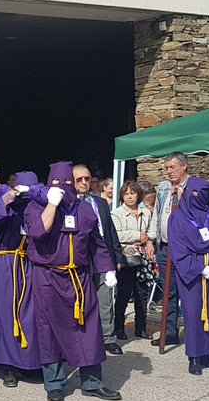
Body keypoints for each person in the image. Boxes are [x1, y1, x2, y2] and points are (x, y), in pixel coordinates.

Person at [23, 161, 121, 401]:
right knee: (50, 330)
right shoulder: (36, 207)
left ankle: (92, 382)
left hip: (79, 277)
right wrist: (52, 204)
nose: (63, 187)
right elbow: (37, 231)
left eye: (68, 182)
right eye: (56, 183)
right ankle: (54, 384)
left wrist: (107, 268)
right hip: (47, 276)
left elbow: (96, 243)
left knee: (88, 328)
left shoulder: (85, 210)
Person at [167, 177, 209, 375]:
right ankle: (195, 356)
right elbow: (178, 247)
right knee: (193, 312)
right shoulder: (178, 218)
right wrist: (199, 268)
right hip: (193, 273)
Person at [0, 171, 41, 388]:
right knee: (6, 314)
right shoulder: (4, 203)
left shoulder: (37, 208)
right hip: (5, 266)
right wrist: (11, 197)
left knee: (31, 314)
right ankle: (8, 366)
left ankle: (31, 363)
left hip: (29, 264)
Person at [74, 165, 123, 354]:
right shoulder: (67, 205)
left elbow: (110, 231)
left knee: (105, 299)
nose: (84, 182)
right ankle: (80, 338)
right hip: (80, 258)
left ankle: (107, 337)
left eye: (87, 179)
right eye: (79, 179)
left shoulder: (100, 203)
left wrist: (117, 256)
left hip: (102, 258)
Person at [147, 152, 191, 345]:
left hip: (186, 249)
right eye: (166, 168)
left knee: (189, 291)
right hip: (165, 247)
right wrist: (150, 239)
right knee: (168, 291)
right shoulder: (164, 187)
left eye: (172, 167)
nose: (169, 171)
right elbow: (156, 215)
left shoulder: (194, 187)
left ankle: (194, 335)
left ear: (184, 166)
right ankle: (169, 332)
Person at [113, 181, 152, 339]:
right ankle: (119, 327)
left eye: (133, 193)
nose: (130, 196)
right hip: (127, 256)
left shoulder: (147, 213)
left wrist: (148, 239)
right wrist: (138, 236)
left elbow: (151, 231)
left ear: (139, 195)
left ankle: (141, 327)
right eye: (126, 193)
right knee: (124, 292)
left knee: (142, 293)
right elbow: (117, 234)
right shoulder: (116, 213)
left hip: (143, 257)